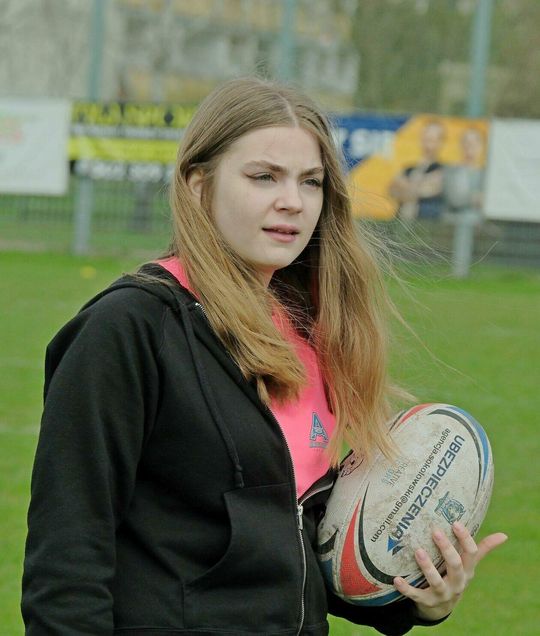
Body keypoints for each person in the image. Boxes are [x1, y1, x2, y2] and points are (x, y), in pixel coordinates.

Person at [22, 77, 506, 635]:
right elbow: (67, 564)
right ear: (198, 185)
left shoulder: (307, 332)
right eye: (263, 177)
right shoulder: (127, 329)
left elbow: (292, 544)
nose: (292, 201)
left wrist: (418, 599)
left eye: (311, 181)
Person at [389, 120, 446, 221]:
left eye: (432, 140)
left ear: (440, 143)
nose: (428, 145)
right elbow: (392, 190)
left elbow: (434, 188)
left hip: (428, 222)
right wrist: (420, 186)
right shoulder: (409, 169)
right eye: (426, 139)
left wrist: (406, 187)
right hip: (403, 222)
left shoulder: (444, 170)